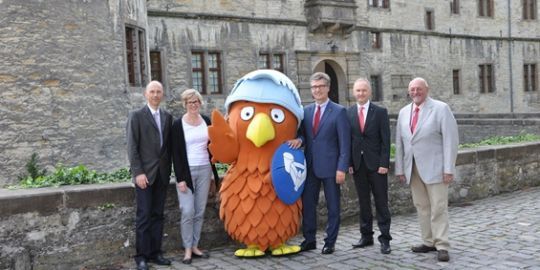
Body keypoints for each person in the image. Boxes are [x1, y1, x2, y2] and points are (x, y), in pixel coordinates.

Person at [394, 77, 458, 262]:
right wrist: (400, 168)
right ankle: (428, 241)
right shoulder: (404, 112)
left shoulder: (441, 109)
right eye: (412, 89)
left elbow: (450, 141)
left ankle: (442, 245)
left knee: (438, 207)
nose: (415, 92)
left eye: (419, 89)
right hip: (413, 168)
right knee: (422, 206)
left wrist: (449, 168)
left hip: (436, 168)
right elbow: (400, 143)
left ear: (426, 90)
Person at [288, 72, 351, 255]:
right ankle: (309, 240)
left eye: (320, 86)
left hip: (331, 168)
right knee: (308, 204)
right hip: (310, 166)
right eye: (314, 87)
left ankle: (330, 242)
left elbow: (345, 143)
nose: (317, 90)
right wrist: (299, 141)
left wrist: (342, 168)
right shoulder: (305, 111)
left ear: (328, 88)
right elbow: (304, 135)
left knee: (333, 206)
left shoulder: (339, 111)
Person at [126, 81, 173, 270]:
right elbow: (132, 147)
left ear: (162, 95)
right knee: (144, 216)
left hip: (161, 174)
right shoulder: (136, 116)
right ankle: (141, 257)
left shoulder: (168, 117)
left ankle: (155, 253)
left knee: (158, 215)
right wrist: (138, 173)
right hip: (144, 176)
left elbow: (168, 147)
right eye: (152, 91)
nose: (155, 95)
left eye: (158, 92)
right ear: (146, 94)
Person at [171, 89, 220, 265]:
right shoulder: (178, 125)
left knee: (199, 211)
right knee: (187, 211)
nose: (193, 105)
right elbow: (175, 154)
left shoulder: (206, 121)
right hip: (187, 172)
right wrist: (180, 178)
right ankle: (186, 249)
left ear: (200, 103)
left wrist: (214, 174)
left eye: (196, 102)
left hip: (205, 169)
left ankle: (195, 246)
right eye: (190, 102)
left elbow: (212, 145)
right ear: (185, 104)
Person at [347, 78, 392, 254]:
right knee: (363, 202)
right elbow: (349, 141)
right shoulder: (348, 113)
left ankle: (385, 239)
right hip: (358, 165)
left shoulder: (380, 112)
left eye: (364, 90)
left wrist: (384, 164)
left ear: (369, 92)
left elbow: (385, 141)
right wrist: (350, 163)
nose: (361, 93)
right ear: (354, 92)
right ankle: (366, 236)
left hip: (376, 166)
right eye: (358, 91)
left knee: (381, 202)